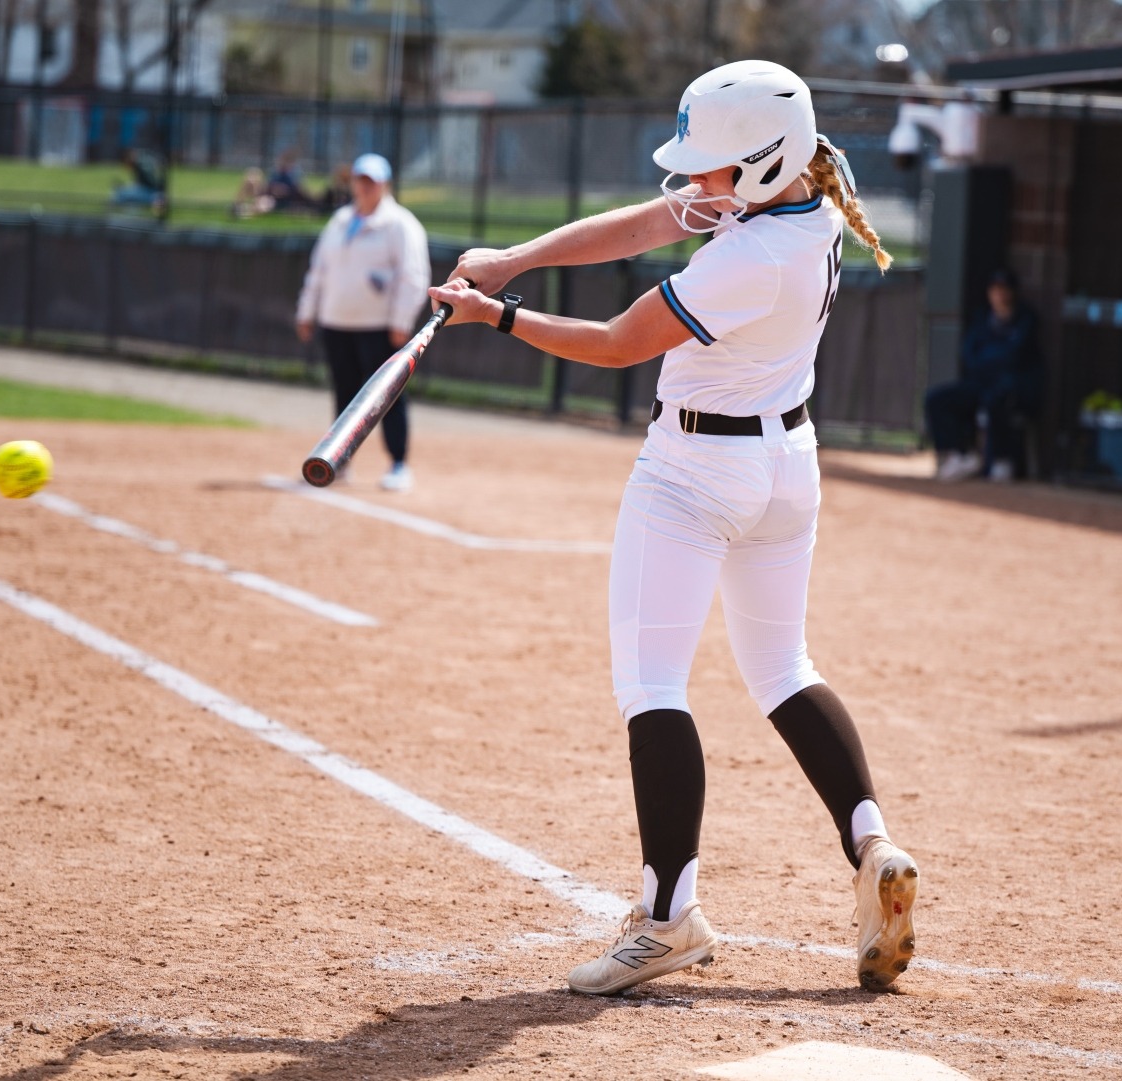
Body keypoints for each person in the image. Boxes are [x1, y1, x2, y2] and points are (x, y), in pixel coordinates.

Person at [425, 59, 921, 997]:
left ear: (766, 162)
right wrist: (515, 257)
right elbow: (652, 221)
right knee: (784, 670)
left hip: (696, 470)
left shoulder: (749, 256)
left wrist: (500, 314)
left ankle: (667, 920)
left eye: (714, 170)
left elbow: (616, 343)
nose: (696, 185)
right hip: (786, 468)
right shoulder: (803, 204)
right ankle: (872, 843)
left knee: (653, 683)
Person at [296, 153, 430, 491]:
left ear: (385, 184)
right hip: (337, 322)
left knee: (387, 396)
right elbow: (319, 271)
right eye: (360, 179)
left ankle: (398, 464)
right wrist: (306, 311)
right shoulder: (340, 220)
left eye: (371, 181)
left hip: (379, 326)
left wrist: (401, 321)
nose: (365, 187)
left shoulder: (400, 224)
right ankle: (339, 460)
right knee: (344, 393)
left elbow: (413, 277)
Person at [924, 268, 1043, 482]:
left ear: (1013, 292)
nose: (999, 295)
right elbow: (969, 354)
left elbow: (1014, 356)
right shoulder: (982, 317)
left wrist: (988, 359)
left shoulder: (1026, 319)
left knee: (997, 399)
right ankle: (960, 455)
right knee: (937, 399)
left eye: (1004, 289)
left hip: (1011, 386)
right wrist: (991, 360)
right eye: (995, 289)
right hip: (980, 382)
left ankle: (1001, 460)